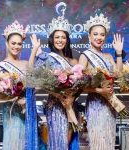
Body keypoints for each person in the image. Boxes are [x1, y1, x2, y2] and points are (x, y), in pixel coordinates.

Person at [0, 20, 40, 150]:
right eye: (13, 43)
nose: (16, 46)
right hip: (11, 111)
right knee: (13, 141)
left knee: (27, 142)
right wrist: (14, 98)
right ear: (7, 43)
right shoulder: (0, 67)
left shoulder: (25, 63)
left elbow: (31, 78)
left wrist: (34, 49)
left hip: (28, 110)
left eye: (19, 44)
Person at [79, 13, 124, 150]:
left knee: (109, 140)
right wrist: (99, 90)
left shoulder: (109, 55)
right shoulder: (85, 55)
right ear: (89, 35)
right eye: (96, 34)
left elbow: (119, 75)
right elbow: (79, 85)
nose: (99, 37)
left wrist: (119, 53)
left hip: (110, 103)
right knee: (98, 141)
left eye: (102, 35)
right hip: (95, 104)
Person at [35, 15, 79, 150]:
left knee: (67, 143)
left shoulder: (73, 62)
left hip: (70, 105)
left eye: (63, 37)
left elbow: (79, 85)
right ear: (52, 39)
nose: (60, 40)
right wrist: (58, 95)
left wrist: (72, 97)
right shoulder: (45, 58)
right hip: (55, 105)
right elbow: (38, 81)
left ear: (67, 40)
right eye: (57, 37)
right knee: (57, 143)